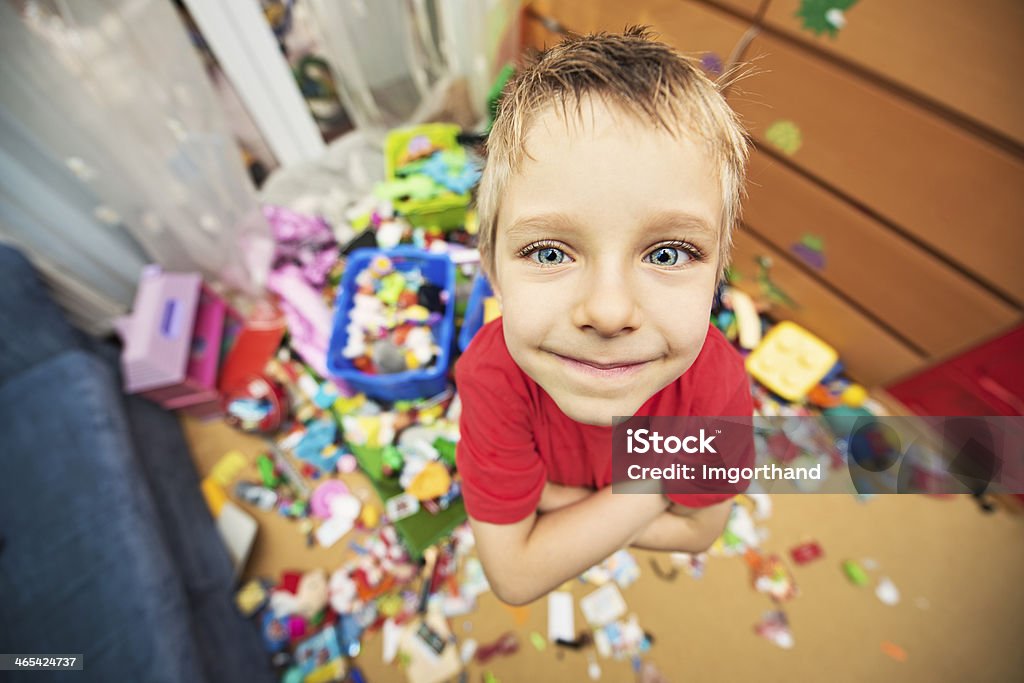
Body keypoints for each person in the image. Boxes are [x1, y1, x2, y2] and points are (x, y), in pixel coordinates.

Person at [455, 27, 754, 605]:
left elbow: (700, 532)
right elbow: (514, 577)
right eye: (549, 252)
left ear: (717, 273)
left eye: (668, 253)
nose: (610, 311)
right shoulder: (490, 375)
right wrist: (654, 490)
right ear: (491, 268)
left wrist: (554, 503)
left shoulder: (717, 386)